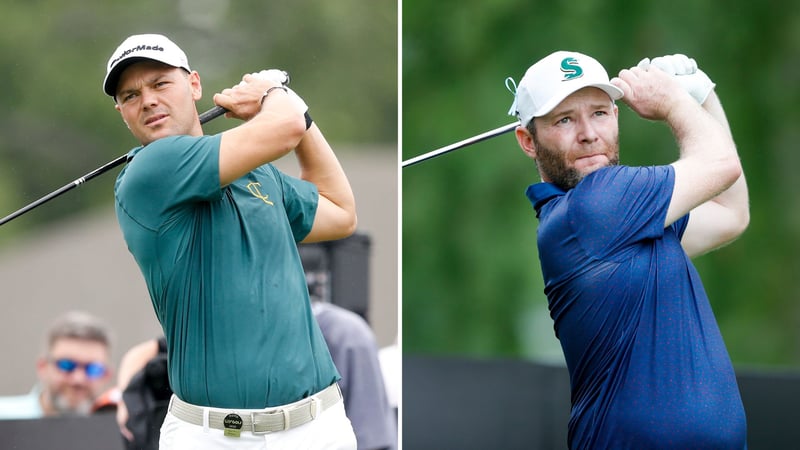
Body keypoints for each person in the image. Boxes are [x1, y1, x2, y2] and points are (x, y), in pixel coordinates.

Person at [103, 33, 358, 450]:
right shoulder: (149, 172)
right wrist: (276, 95)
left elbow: (341, 212)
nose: (147, 100)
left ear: (195, 85)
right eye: (131, 95)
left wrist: (301, 115)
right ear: (122, 113)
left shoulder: (258, 173)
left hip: (317, 427)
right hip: (212, 437)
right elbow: (285, 125)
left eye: (160, 84)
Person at [506, 51, 749, 449]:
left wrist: (701, 95)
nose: (588, 133)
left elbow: (730, 213)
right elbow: (721, 164)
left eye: (599, 112)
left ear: (616, 117)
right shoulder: (594, 206)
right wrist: (674, 101)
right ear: (528, 141)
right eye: (565, 119)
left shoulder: (632, 216)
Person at [0, 310, 115, 419]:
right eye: (66, 365)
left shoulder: (122, 430)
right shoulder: (4, 417)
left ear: (107, 375)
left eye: (93, 369)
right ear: (43, 367)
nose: (78, 379)